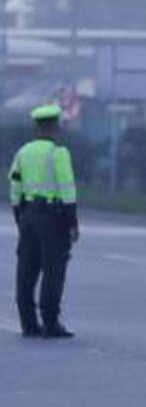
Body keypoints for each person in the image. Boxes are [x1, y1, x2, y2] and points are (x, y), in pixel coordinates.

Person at [9, 104, 79, 338]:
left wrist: (19, 215)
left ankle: (28, 323)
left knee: (27, 269)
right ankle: (50, 322)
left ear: (36, 127)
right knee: (53, 269)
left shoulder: (23, 152)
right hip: (53, 217)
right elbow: (67, 189)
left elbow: (15, 185)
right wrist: (72, 222)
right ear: (55, 127)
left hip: (28, 215)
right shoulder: (58, 153)